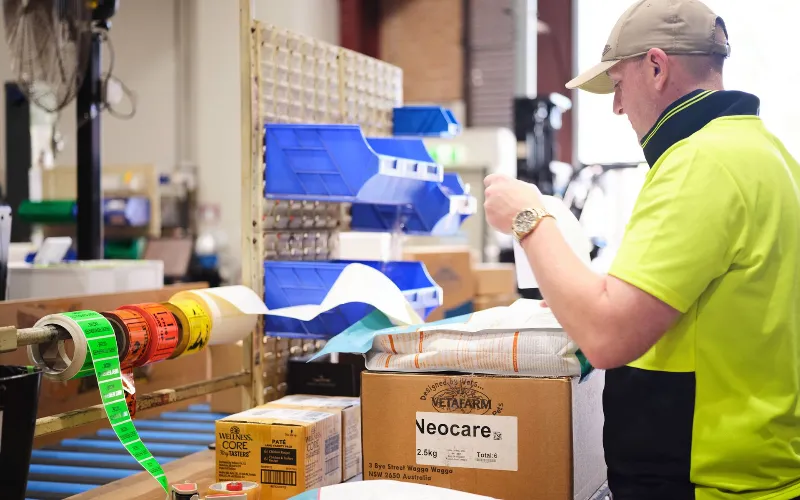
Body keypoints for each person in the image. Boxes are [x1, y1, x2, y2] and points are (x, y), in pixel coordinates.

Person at [483, 1, 800, 499]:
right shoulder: (766, 152)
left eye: (617, 86)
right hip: (761, 469)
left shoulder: (700, 162)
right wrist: (586, 292)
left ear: (656, 67)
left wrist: (528, 218)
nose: (616, 106)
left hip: (709, 482)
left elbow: (608, 338)